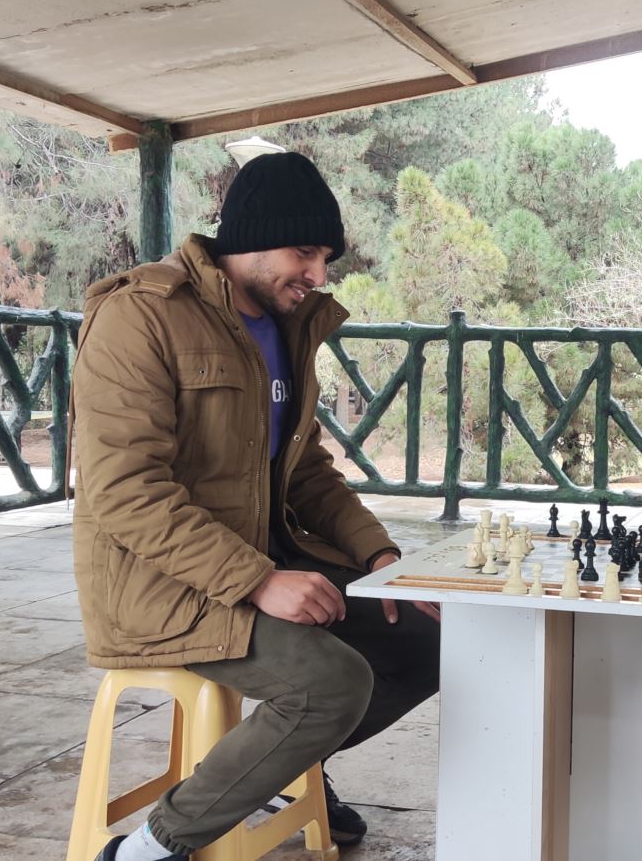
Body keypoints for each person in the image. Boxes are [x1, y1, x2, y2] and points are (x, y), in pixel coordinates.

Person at [71, 152, 440, 861]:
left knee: (429, 638)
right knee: (332, 684)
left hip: (258, 561)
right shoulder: (140, 315)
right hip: (158, 586)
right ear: (253, 238)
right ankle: (148, 848)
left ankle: (280, 766)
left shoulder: (280, 325)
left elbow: (305, 471)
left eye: (325, 259)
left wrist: (380, 556)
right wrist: (259, 580)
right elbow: (124, 491)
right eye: (305, 253)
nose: (319, 275)